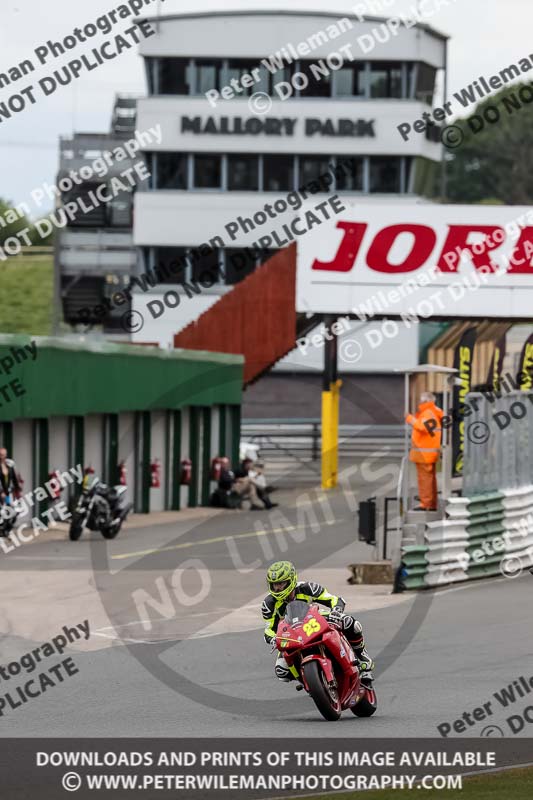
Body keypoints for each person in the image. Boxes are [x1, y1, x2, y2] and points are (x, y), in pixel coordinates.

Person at [262, 560, 374, 686]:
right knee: (281, 671)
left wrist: (336, 610)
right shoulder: (268, 604)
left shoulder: (307, 588)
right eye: (274, 585)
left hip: (314, 621)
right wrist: (272, 639)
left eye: (281, 584)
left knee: (351, 623)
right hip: (290, 634)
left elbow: (334, 600)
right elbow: (268, 629)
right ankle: (308, 682)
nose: (277, 588)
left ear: (291, 580)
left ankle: (363, 658)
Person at [405, 391, 444, 511]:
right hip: (429, 452)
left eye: (420, 400)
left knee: (425, 480)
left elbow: (422, 427)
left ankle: (426, 504)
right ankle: (431, 503)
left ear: (426, 401)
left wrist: (409, 418)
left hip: (424, 453)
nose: (419, 403)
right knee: (430, 479)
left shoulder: (428, 413)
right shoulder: (435, 411)